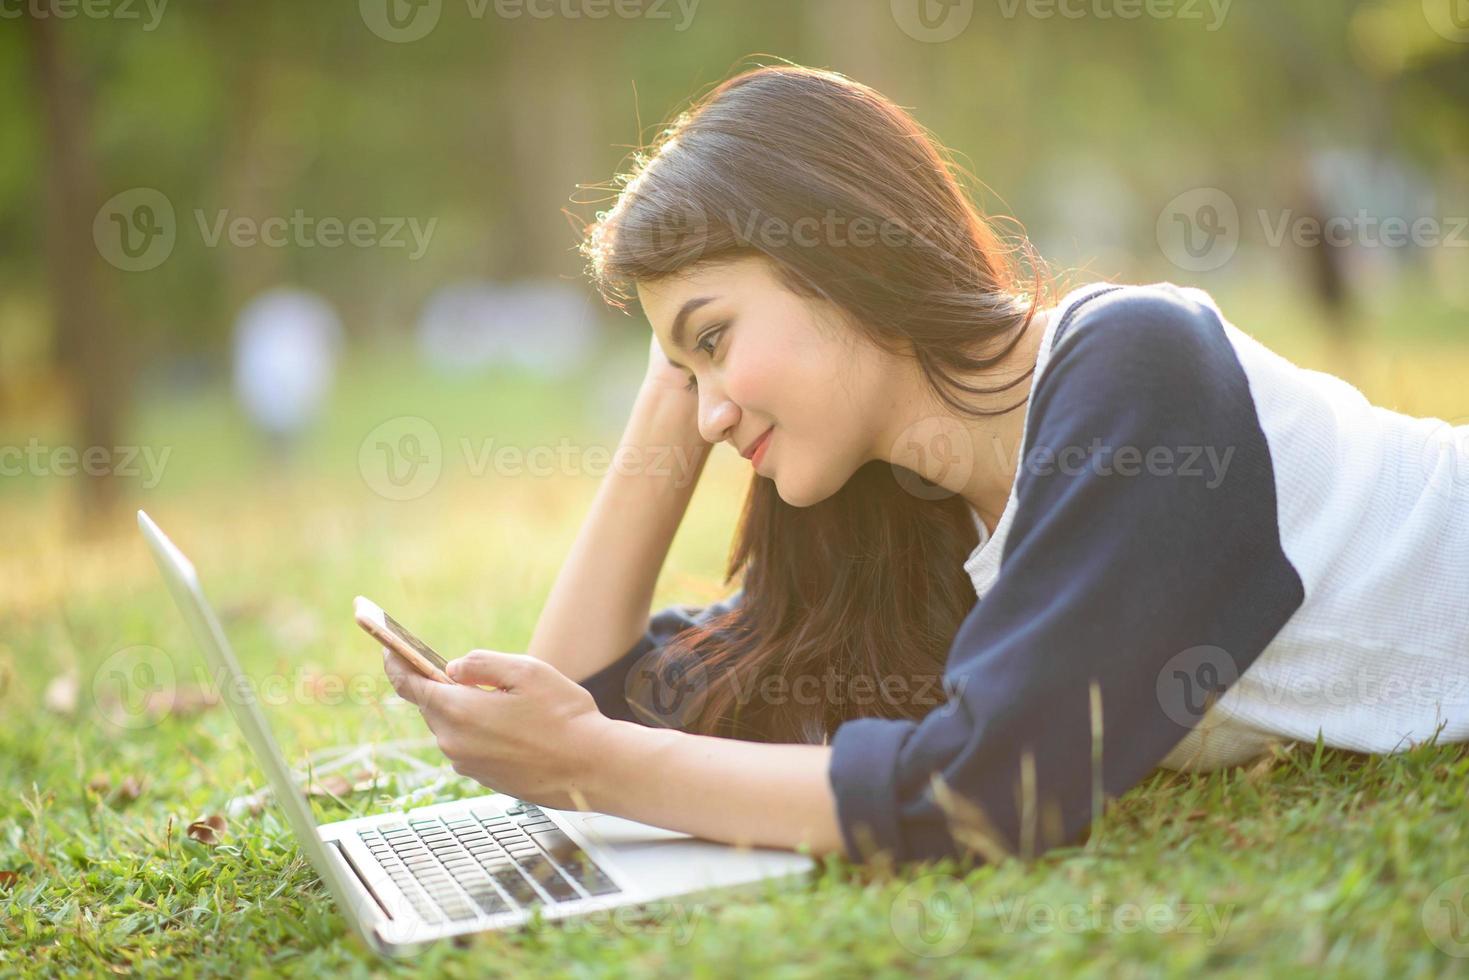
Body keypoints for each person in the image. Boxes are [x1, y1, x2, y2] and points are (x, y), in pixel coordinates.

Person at [382, 65, 1469, 866]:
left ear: (840, 252)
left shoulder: (1136, 367)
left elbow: (989, 790)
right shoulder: (908, 504)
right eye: (678, 373)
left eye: (713, 339)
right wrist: (677, 372)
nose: (706, 416)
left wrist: (589, 759)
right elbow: (609, 700)